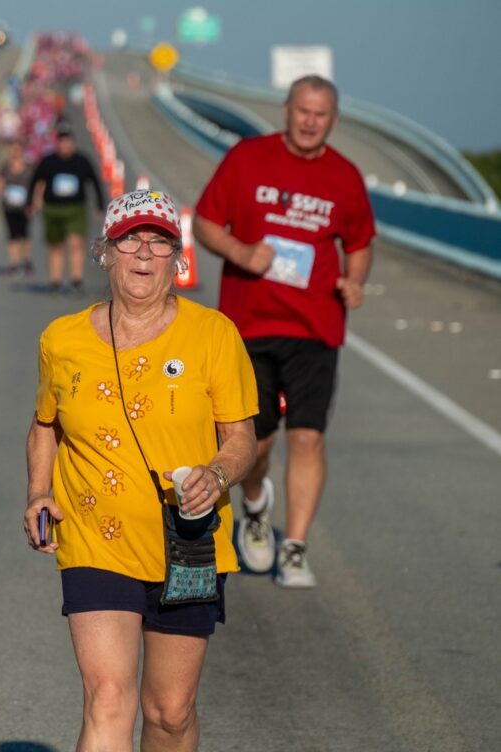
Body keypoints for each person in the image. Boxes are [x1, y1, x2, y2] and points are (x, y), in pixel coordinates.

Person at [25, 189, 258, 751]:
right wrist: (37, 493)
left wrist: (218, 474)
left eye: (160, 242)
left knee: (169, 713)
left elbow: (241, 439)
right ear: (105, 252)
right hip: (94, 539)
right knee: (108, 697)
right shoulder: (62, 339)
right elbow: (44, 426)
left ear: (178, 259)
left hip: (189, 542)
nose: (145, 255)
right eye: (132, 241)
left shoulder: (213, 334)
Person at [193, 74, 375, 588]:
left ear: (333, 121)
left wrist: (356, 281)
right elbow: (206, 221)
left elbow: (359, 240)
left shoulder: (345, 177)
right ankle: (255, 505)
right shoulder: (248, 159)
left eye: (321, 114)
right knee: (257, 442)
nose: (311, 121)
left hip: (316, 327)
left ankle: (293, 547)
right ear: (287, 111)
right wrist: (241, 253)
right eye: (303, 111)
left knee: (309, 436)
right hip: (249, 326)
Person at [28, 124, 104, 295]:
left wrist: (100, 204)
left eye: (68, 142)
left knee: (77, 243)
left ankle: (76, 280)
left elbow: (94, 182)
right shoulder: (48, 162)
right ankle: (55, 281)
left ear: (73, 143)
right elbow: (35, 180)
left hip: (75, 209)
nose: (65, 145)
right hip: (53, 209)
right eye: (62, 142)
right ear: (57, 144)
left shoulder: (82, 161)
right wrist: (30, 202)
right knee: (56, 246)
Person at [0, 140, 34, 277]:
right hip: (9, 206)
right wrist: (1, 192)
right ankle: (14, 263)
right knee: (12, 234)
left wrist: (34, 202)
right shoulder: (5, 168)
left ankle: (26, 261)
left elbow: (35, 185)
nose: (15, 153)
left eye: (17, 150)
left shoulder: (29, 168)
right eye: (13, 150)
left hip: (25, 206)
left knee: (24, 234)